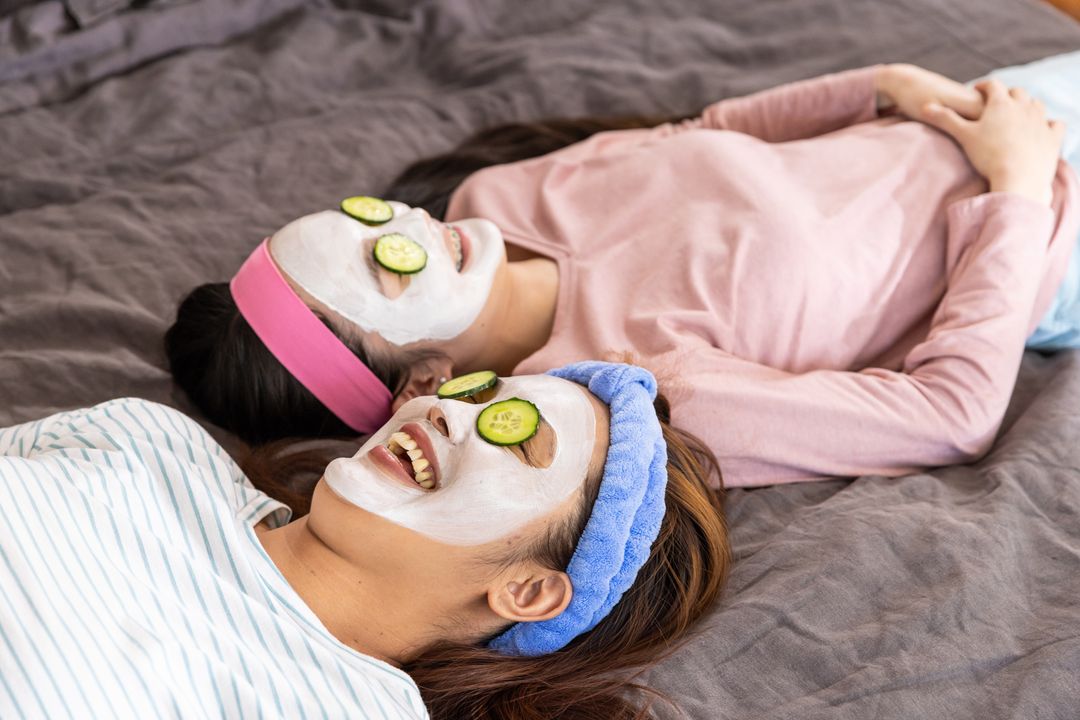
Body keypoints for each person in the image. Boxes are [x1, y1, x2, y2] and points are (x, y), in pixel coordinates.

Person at [166, 55, 1080, 487]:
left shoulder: (497, 195)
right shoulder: (647, 390)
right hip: (1048, 222)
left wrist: (886, 88)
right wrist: (1020, 186)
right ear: (425, 379)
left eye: (359, 217)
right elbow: (949, 418)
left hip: (990, 106)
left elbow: (700, 138)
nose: (406, 218)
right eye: (387, 264)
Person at [0, 362, 730, 719]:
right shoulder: (152, 441)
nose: (448, 410)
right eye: (479, 392)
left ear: (530, 590)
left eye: (518, 440)